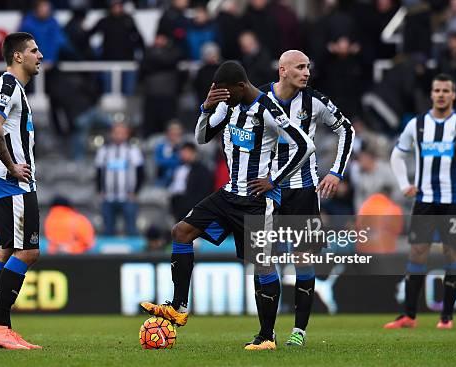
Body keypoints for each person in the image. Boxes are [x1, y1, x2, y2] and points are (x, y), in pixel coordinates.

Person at [140, 61, 315, 351]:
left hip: (258, 201)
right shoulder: (227, 105)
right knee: (181, 232)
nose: (224, 97)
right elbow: (200, 137)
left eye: (225, 93)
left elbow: (304, 145)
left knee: (262, 264)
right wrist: (206, 108)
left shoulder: (268, 110)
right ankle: (179, 307)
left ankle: (267, 337)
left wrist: (274, 179)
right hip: (228, 195)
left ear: (240, 86)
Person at [258, 50, 354, 347]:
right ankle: (266, 333)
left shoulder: (315, 101)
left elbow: (346, 130)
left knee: (302, 260)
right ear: (283, 70)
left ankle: (299, 331)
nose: (307, 72)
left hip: (303, 191)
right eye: (300, 67)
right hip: (266, 191)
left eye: (308, 67)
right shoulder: (258, 99)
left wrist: (336, 172)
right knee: (263, 261)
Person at [385, 74, 456, 330]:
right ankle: (408, 316)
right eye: (437, 90)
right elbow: (397, 155)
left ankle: (446, 318)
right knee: (417, 253)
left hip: (454, 201)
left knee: (452, 254)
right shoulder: (418, 124)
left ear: (454, 95)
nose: (441, 94)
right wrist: (404, 184)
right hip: (424, 200)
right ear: (432, 94)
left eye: (446, 90)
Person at [0, 32, 44, 349]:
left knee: (6, 251)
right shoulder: (7, 85)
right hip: (14, 182)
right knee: (28, 251)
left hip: (8, 181)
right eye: (34, 50)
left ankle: (1, 326)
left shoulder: (12, 87)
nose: (40, 55)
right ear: (18, 56)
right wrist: (10, 166)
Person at [95, 122, 144, 235]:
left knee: (131, 229)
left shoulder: (133, 151)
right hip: (108, 197)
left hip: (127, 197)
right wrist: (99, 191)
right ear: (112, 134)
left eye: (122, 133)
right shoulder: (104, 151)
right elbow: (98, 172)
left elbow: (141, 173)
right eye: (116, 133)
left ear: (127, 134)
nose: (119, 135)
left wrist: (135, 192)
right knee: (108, 229)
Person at [169, 142, 213, 221]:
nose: (183, 154)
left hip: (194, 210)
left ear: (194, 153)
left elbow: (205, 192)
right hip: (179, 208)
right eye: (182, 152)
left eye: (187, 152)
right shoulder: (179, 169)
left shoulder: (202, 171)